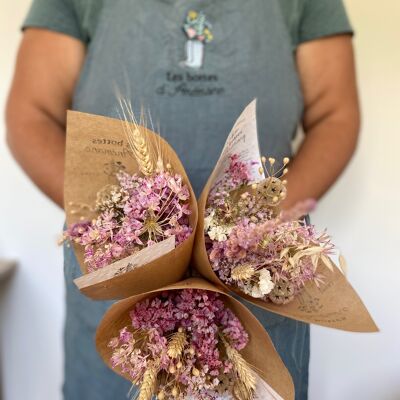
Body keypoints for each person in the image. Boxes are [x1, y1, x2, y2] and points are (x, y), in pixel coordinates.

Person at [5, 0, 359, 399]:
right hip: (120, 269)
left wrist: (251, 233)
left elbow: (335, 114)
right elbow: (32, 113)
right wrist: (125, 228)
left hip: (258, 270)